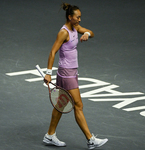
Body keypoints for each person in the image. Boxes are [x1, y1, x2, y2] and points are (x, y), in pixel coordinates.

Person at [42, 3, 108, 150]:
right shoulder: (64, 32)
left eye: (80, 17)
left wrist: (87, 34)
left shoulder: (75, 28)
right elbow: (53, 52)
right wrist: (48, 73)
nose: (79, 20)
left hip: (72, 72)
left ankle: (49, 135)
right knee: (78, 105)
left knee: (61, 104)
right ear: (70, 17)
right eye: (77, 17)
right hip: (66, 74)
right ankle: (90, 139)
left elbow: (92, 32)